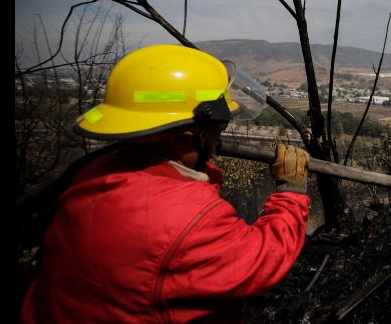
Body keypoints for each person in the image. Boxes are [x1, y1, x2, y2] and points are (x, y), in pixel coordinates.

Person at [20, 45, 311, 323]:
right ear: (179, 137)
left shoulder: (95, 171)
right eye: (217, 127)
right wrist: (292, 192)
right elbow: (262, 261)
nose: (218, 137)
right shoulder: (189, 219)